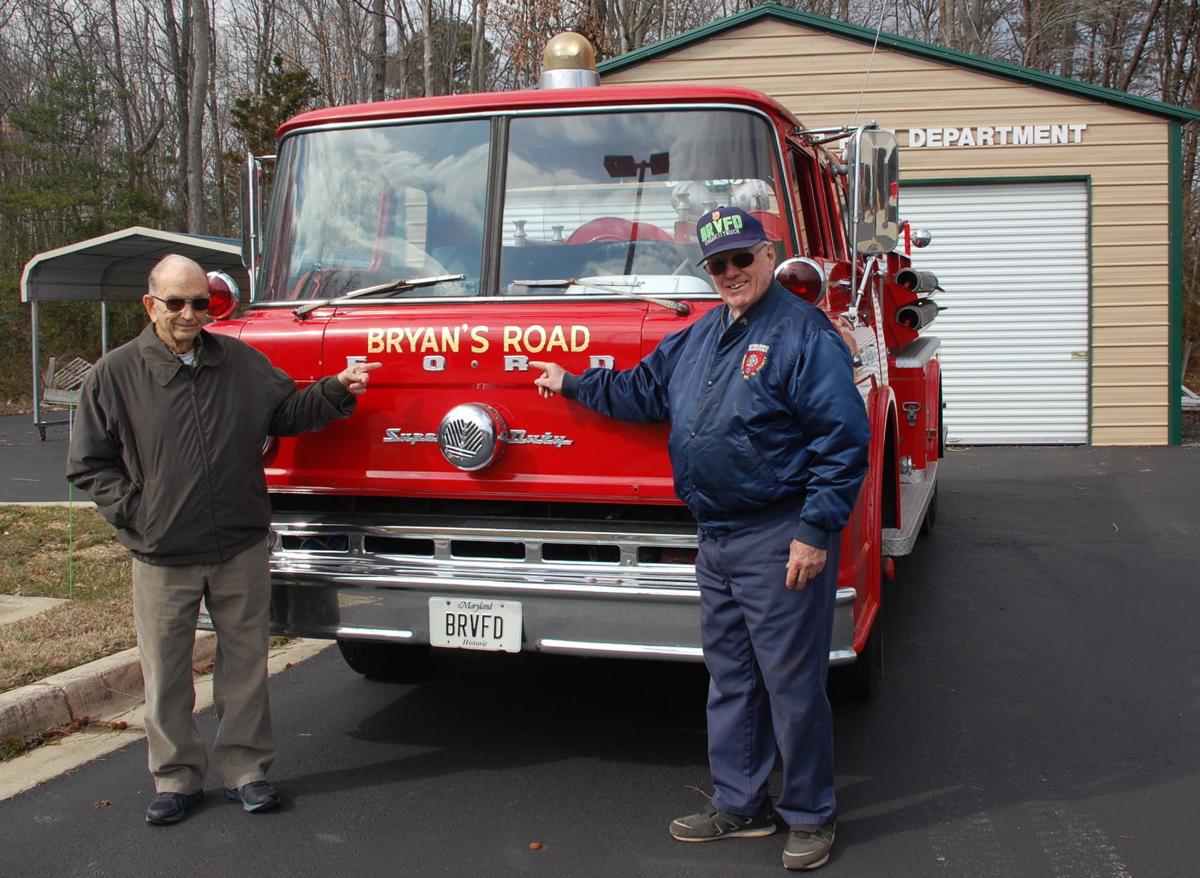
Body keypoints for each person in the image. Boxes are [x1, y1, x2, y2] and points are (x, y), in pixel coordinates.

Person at [531, 207, 869, 871]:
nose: (731, 272)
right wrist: (571, 383)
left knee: (792, 684)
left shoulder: (805, 335)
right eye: (718, 265)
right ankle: (742, 805)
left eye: (742, 258)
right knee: (732, 677)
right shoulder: (700, 335)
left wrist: (814, 531)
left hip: (779, 534)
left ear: (768, 256)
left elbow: (843, 440)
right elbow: (640, 391)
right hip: (716, 537)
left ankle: (810, 815)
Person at [66, 254, 381, 826]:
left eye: (200, 303)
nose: (189, 314)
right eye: (176, 303)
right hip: (163, 554)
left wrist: (336, 389)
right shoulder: (114, 374)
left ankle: (246, 771)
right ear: (150, 305)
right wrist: (139, 515)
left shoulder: (240, 361)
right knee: (166, 674)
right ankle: (175, 779)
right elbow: (89, 464)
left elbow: (288, 413)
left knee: (244, 667)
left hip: (239, 545)